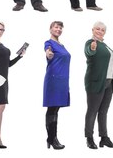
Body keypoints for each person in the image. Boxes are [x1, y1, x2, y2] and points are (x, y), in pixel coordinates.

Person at [0, 21, 25, 149]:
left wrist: (19, 56)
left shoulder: (2, 45)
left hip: (4, 78)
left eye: (1, 29)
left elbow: (7, 64)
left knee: (1, 108)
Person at [84, 21, 113, 149]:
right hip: (96, 82)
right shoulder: (90, 43)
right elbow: (89, 52)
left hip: (109, 82)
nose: (99, 31)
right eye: (97, 29)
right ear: (93, 30)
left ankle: (104, 138)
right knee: (92, 111)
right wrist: (92, 48)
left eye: (102, 30)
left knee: (103, 111)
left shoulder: (105, 45)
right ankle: (89, 138)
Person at [43, 21, 70, 150]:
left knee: (56, 108)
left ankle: (52, 138)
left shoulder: (62, 45)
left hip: (63, 81)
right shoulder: (49, 43)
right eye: (56, 27)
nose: (58, 29)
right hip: (54, 79)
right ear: (50, 29)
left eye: (60, 28)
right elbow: (47, 51)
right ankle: (52, 139)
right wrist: (48, 54)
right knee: (52, 108)